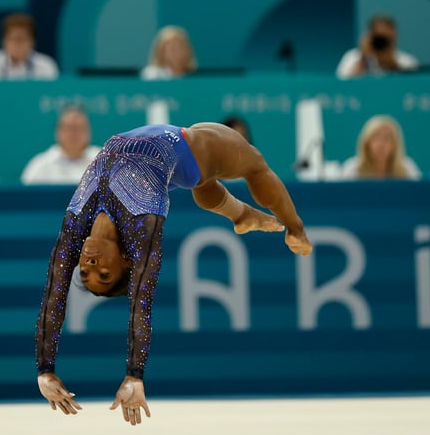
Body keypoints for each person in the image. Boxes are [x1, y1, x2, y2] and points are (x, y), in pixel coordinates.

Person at [35, 123, 312, 424]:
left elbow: (54, 295)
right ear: (127, 261)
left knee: (203, 185)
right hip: (187, 148)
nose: (90, 266)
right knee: (254, 165)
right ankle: (295, 229)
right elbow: (141, 304)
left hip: (174, 163)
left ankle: (242, 215)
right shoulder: (142, 224)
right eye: (104, 274)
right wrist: (134, 376)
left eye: (85, 272)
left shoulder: (76, 225)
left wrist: (45, 370)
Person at [21, 105, 102, 185]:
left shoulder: (104, 162)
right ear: (57, 132)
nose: (74, 134)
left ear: (88, 132)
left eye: (78, 128)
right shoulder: (40, 165)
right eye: (69, 128)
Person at [0, 13, 59, 81]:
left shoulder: (46, 65)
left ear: (32, 41)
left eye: (22, 39)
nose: (18, 44)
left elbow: (52, 95)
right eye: (13, 39)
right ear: (4, 42)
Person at [336, 15, 418, 79]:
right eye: (379, 38)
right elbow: (342, 85)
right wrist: (363, 59)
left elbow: (410, 85)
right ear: (370, 36)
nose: (382, 42)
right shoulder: (352, 57)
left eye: (386, 38)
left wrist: (391, 64)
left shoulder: (407, 60)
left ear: (395, 37)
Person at [341, 115, 421, 180]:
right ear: (366, 143)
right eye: (376, 138)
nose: (381, 144)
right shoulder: (352, 169)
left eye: (387, 138)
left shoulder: (408, 169)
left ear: (396, 145)